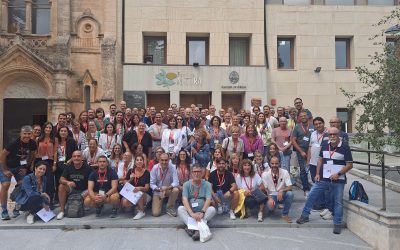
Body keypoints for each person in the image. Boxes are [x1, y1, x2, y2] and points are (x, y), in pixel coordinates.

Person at [296, 127, 353, 234]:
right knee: (311, 195)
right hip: (323, 178)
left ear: (339, 135)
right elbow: (320, 160)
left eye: (334, 134)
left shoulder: (345, 147)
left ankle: (337, 223)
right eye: (330, 134)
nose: (332, 136)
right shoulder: (325, 145)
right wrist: (317, 174)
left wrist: (338, 174)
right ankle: (304, 216)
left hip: (338, 180)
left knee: (338, 202)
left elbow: (350, 164)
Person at [0, 125, 37, 220]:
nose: (27, 136)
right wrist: (5, 170)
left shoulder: (32, 143)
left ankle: (17, 208)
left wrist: (26, 167)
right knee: (5, 185)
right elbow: (2, 155)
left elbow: (32, 155)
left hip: (20, 166)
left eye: (29, 134)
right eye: (25, 133)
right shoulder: (13, 143)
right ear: (21, 134)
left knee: (23, 185)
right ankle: (4, 210)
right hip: (7, 165)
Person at [178, 164, 216, 241]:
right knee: (180, 209)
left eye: (198, 171)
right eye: (194, 171)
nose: (196, 173)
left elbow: (208, 199)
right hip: (190, 212)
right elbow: (184, 200)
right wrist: (192, 213)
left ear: (202, 173)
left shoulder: (207, 184)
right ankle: (198, 228)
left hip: (203, 212)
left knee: (212, 209)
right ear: (191, 173)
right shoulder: (186, 184)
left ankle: (192, 228)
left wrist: (202, 212)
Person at [56, 150, 91, 220]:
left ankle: (84, 206)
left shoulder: (88, 168)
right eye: (74, 156)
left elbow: (93, 182)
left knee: (91, 190)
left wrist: (89, 191)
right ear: (72, 158)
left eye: (78, 156)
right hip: (73, 190)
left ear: (82, 158)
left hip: (85, 191)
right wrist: (67, 182)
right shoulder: (69, 167)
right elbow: (61, 179)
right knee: (61, 186)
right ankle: (62, 211)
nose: (76, 158)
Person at [262, 156, 294, 223]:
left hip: (281, 194)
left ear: (279, 163)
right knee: (271, 208)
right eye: (272, 163)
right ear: (270, 164)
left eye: (276, 163)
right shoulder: (265, 174)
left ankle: (285, 214)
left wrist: (282, 190)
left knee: (290, 194)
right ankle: (271, 209)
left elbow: (290, 186)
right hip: (271, 195)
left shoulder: (285, 172)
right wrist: (270, 198)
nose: (274, 165)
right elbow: (266, 188)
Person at [121, 154, 151, 220]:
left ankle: (141, 212)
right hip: (131, 193)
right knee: (124, 202)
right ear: (135, 162)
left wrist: (140, 188)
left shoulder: (147, 172)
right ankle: (137, 207)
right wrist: (130, 179)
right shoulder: (131, 171)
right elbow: (125, 184)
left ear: (143, 162)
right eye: (137, 160)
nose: (139, 161)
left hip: (144, 194)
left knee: (139, 192)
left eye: (141, 160)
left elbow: (147, 188)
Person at [291, 111, 314, 196]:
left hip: (313, 152)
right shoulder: (297, 127)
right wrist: (301, 151)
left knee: (313, 170)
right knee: (303, 170)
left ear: (308, 116)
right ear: (299, 118)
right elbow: (293, 140)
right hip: (301, 152)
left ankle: (315, 188)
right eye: (301, 116)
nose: (303, 117)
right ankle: (306, 189)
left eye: (305, 116)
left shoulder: (313, 126)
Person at [54, 126, 78, 204]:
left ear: (68, 132)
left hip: (69, 163)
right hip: (58, 163)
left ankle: (68, 197)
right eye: (61, 131)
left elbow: (76, 152)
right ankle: (59, 198)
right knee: (58, 180)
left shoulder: (71, 141)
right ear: (59, 132)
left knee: (67, 179)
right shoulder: (56, 141)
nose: (63, 132)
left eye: (65, 131)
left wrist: (71, 160)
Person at [35, 122, 56, 206]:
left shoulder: (54, 139)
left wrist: (54, 164)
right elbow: (35, 151)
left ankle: (49, 202)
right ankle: (38, 201)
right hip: (39, 161)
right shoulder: (38, 139)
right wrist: (33, 163)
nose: (48, 129)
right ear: (44, 128)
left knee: (50, 182)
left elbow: (55, 152)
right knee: (39, 181)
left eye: (50, 127)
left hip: (49, 161)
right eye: (46, 127)